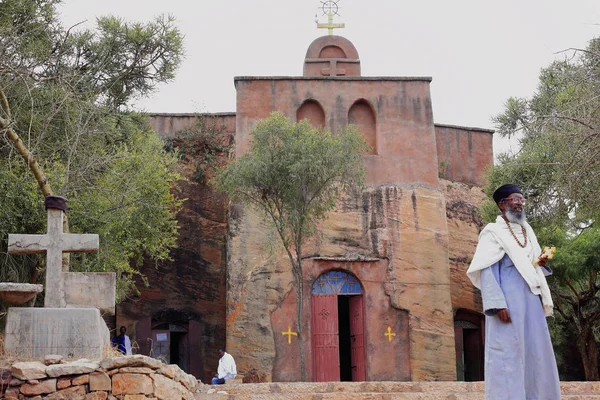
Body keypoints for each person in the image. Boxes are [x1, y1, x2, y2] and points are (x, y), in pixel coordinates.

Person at [467, 184, 560, 400]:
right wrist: (497, 304)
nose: (519, 203)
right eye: (514, 199)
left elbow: (531, 266)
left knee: (537, 352)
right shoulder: (492, 232)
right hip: (507, 302)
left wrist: (541, 261)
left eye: (521, 199)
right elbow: (487, 272)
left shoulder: (528, 231)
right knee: (508, 353)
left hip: (531, 299)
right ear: (502, 204)